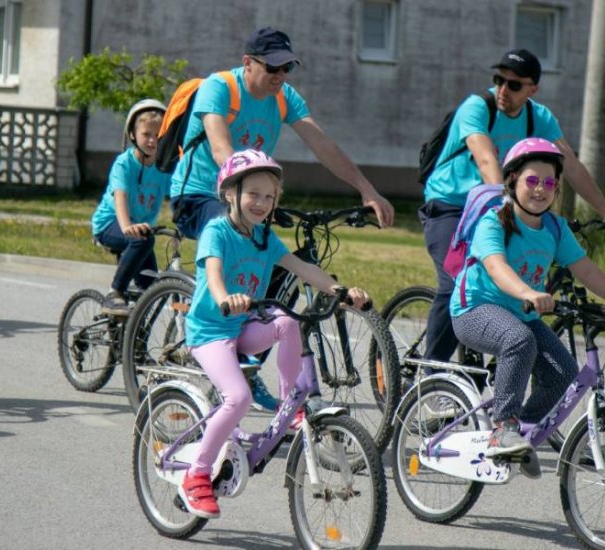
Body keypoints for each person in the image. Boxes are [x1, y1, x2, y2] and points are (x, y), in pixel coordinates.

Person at [179, 149, 370, 518]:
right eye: (253, 193)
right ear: (230, 193)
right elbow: (214, 274)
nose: (262, 203)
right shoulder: (216, 231)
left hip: (242, 327)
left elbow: (303, 268)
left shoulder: (265, 239)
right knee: (238, 397)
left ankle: (289, 404)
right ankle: (197, 475)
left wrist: (341, 291)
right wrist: (225, 298)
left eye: (270, 197)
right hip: (210, 330)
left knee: (286, 322)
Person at [421, 48, 605, 365]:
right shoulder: (478, 107)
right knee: (457, 280)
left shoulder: (539, 117)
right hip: (451, 204)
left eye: (514, 84)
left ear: (533, 89)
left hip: (504, 202)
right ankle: (432, 371)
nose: (503, 90)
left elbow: (570, 165)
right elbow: (485, 157)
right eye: (499, 80)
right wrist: (504, 201)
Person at [449, 138, 605, 476]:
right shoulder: (495, 221)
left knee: (564, 373)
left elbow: (584, 269)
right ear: (512, 181)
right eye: (532, 181)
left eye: (549, 183)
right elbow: (496, 266)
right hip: (474, 310)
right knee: (519, 339)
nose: (541, 189)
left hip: (520, 315)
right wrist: (527, 292)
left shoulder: (554, 227)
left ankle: (520, 434)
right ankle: (503, 429)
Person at [169, 26, 394, 240]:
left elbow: (324, 147)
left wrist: (368, 191)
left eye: (287, 68)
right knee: (234, 237)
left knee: (275, 260)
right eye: (272, 67)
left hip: (248, 198)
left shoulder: (284, 97)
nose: (280, 75)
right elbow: (222, 151)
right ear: (247, 62)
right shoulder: (219, 87)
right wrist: (257, 195)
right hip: (196, 197)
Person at [91, 99, 171, 316]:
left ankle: (130, 342)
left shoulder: (164, 168)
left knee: (150, 289)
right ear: (133, 135)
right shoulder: (124, 164)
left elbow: (178, 193)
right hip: (110, 224)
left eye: (158, 135)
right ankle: (114, 293)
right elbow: (120, 197)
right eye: (147, 134)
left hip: (141, 231)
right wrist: (126, 226)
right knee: (142, 239)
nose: (153, 140)